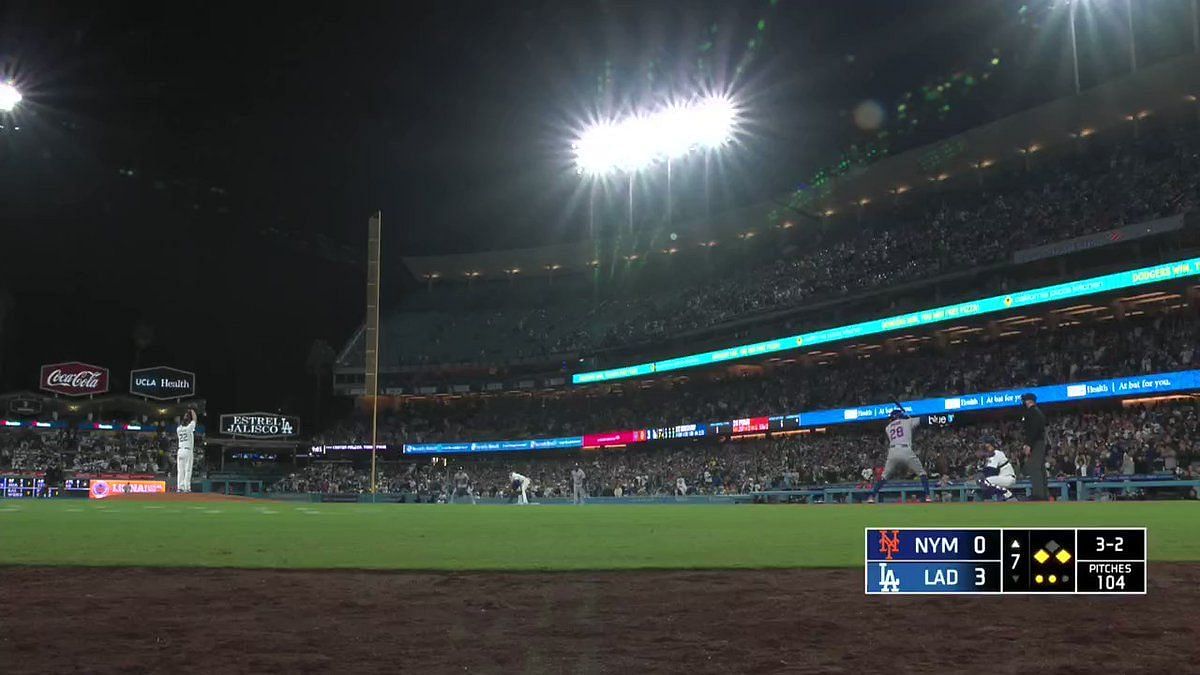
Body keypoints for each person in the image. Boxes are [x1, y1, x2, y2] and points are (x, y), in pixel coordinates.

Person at [869, 406, 931, 503]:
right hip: (906, 450)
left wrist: (907, 419)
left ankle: (871, 497)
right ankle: (927, 496)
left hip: (893, 452)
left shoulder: (888, 427)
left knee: (884, 476)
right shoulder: (907, 422)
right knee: (922, 473)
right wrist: (911, 418)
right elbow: (925, 419)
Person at [1020, 393, 1048, 500]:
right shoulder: (1037, 411)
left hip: (1036, 442)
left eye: (1025, 400)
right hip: (1039, 441)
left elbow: (1033, 430)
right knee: (1040, 468)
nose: (1023, 402)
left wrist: (1028, 444)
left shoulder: (1032, 412)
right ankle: (1044, 495)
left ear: (1029, 401)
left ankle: (1038, 495)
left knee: (1034, 467)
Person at [976, 437, 1016, 501]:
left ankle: (1007, 494)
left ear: (990, 445)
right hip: (1001, 478)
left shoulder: (996, 454)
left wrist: (979, 476)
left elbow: (990, 472)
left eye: (985, 444)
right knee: (982, 482)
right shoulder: (988, 456)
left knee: (985, 481)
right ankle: (1002, 497)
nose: (982, 446)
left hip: (1007, 478)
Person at [176, 409, 197, 493]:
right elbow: (194, 419)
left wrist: (186, 416)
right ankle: (186, 487)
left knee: (180, 470)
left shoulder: (178, 429)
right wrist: (192, 411)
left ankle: (179, 487)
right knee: (187, 470)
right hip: (187, 451)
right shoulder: (189, 428)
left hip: (180, 450)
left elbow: (184, 422)